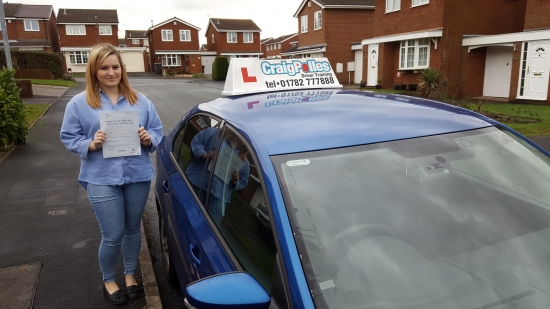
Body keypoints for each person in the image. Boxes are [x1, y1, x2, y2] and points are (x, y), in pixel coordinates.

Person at [60, 43, 162, 305]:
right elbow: (68, 137)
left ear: (122, 69)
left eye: (115, 67)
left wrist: (149, 138)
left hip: (137, 174)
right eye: (104, 67)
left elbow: (157, 131)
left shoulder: (141, 101)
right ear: (94, 70)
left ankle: (129, 275)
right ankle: (108, 279)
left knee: (131, 230)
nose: (110, 72)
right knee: (113, 233)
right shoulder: (79, 103)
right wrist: (91, 144)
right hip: (101, 178)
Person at [186, 128, 250, 225]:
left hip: (218, 200)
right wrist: (205, 156)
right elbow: (196, 142)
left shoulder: (244, 161)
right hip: (196, 185)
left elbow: (243, 182)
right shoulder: (215, 133)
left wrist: (234, 181)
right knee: (187, 221)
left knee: (209, 233)